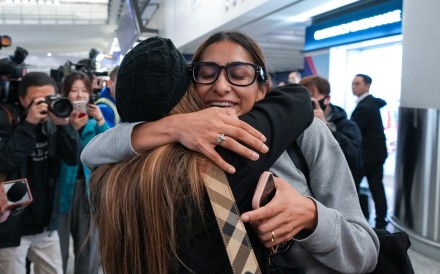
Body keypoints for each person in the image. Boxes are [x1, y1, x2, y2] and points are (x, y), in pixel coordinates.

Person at [83, 32, 379, 273]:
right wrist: (174, 126)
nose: (221, 87)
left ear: (262, 89)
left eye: (240, 74)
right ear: (189, 86)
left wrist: (312, 217)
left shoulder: (305, 135)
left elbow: (364, 253)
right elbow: (93, 152)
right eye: (206, 74)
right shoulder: (178, 143)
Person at [0, 71, 80, 274]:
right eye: (37, 100)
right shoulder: (7, 118)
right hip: (12, 224)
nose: (45, 105)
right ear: (21, 99)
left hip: (46, 224)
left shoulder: (55, 121)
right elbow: (5, 162)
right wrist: (28, 124)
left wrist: (64, 126)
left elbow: (74, 158)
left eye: (49, 99)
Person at [57, 72, 108, 274]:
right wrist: (69, 128)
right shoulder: (59, 121)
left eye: (84, 90)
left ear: (90, 94)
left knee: (88, 249)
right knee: (57, 248)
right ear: (66, 94)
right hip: (61, 191)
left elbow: (111, 149)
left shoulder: (95, 123)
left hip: (88, 190)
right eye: (74, 90)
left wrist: (101, 120)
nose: (79, 95)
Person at [300, 75, 364, 171]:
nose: (307, 101)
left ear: (327, 99)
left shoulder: (347, 125)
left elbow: (356, 159)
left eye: (312, 96)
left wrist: (326, 126)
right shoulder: (301, 122)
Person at [351, 73, 388, 229]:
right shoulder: (372, 102)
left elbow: (352, 129)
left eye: (357, 83)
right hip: (377, 154)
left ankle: (359, 218)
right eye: (353, 83)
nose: (354, 86)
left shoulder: (365, 106)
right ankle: (380, 220)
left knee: (351, 186)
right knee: (376, 186)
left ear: (367, 85)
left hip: (367, 156)